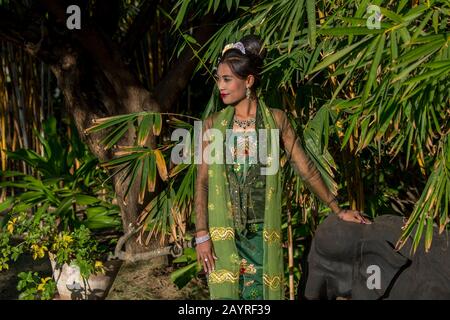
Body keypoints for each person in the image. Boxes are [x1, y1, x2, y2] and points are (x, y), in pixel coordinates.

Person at [194, 34, 369, 300]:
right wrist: (202, 235)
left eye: (227, 79)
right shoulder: (213, 124)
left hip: (264, 236)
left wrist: (337, 208)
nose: (221, 86)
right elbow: (203, 182)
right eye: (219, 79)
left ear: (248, 81)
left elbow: (306, 169)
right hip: (224, 237)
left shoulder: (276, 120)